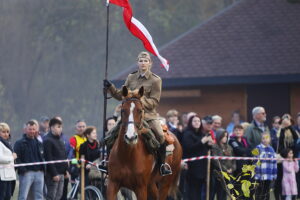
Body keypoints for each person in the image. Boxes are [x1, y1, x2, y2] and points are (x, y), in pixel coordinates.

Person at [104, 51, 171, 176]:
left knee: (160, 135)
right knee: (110, 135)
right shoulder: (131, 77)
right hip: (129, 115)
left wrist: (138, 101)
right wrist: (110, 88)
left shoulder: (156, 80)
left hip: (148, 115)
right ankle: (107, 162)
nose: (143, 63)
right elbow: (121, 95)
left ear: (150, 63)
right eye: (141, 61)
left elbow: (154, 102)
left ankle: (162, 165)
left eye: (146, 61)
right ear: (137, 63)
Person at [182, 115, 214, 200]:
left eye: (198, 121)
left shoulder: (202, 134)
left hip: (202, 166)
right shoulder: (187, 133)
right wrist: (202, 142)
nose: (197, 123)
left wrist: (209, 145)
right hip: (192, 167)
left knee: (199, 190)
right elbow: (189, 148)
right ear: (190, 123)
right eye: (194, 121)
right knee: (193, 190)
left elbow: (204, 149)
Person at [14, 120, 45, 200]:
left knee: (39, 197)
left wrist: (43, 169)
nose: (32, 131)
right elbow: (17, 158)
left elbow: (43, 157)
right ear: (25, 130)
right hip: (26, 174)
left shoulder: (39, 143)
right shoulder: (19, 143)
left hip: (39, 173)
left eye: (33, 129)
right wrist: (24, 170)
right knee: (23, 196)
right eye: (30, 129)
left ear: (36, 130)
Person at [43, 117, 68, 200]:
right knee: (51, 196)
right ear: (52, 128)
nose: (60, 129)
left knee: (59, 196)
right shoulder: (48, 140)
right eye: (58, 127)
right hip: (53, 175)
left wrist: (65, 172)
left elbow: (63, 156)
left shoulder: (60, 140)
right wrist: (54, 174)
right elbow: (48, 158)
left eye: (61, 127)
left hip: (61, 173)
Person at [211, 129, 236, 200]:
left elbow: (234, 159)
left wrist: (232, 168)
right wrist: (225, 169)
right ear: (219, 137)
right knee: (219, 193)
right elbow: (216, 161)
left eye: (226, 136)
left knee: (226, 194)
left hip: (229, 174)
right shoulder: (215, 147)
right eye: (223, 136)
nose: (225, 138)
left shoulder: (229, 147)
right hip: (219, 174)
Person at [254, 132, 277, 200]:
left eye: (267, 138)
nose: (265, 140)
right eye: (263, 138)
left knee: (267, 192)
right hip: (259, 176)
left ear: (269, 139)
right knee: (259, 192)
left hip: (268, 176)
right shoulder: (258, 148)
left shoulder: (271, 149)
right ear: (261, 139)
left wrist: (274, 174)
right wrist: (256, 173)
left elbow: (274, 163)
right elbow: (255, 161)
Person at [0, 123, 17, 200]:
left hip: (9, 176)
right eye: (3, 132)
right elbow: (0, 158)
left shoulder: (8, 143)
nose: (6, 134)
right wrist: (11, 157)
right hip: (2, 177)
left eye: (7, 132)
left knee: (8, 197)